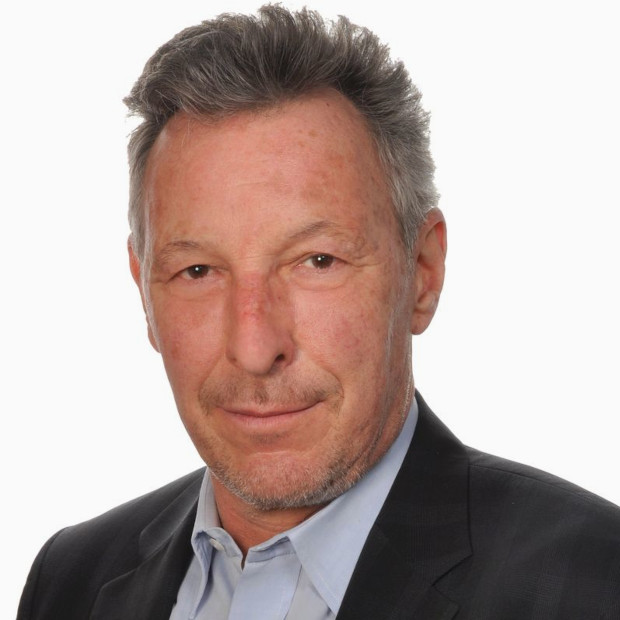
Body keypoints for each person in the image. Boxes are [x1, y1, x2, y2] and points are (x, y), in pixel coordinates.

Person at [17, 5, 620, 619]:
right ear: (144, 291)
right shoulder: (70, 581)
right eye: (197, 271)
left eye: (317, 261)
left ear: (422, 272)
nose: (255, 348)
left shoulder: (595, 585)